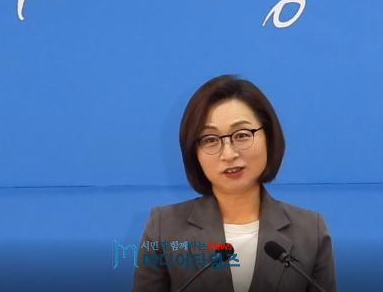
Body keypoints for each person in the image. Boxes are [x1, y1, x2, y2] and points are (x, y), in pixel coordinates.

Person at [133, 75, 336, 292]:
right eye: (210, 139)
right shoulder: (164, 229)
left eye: (241, 135)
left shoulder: (310, 232)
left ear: (268, 137)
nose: (229, 154)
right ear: (194, 152)